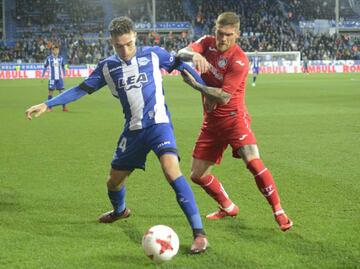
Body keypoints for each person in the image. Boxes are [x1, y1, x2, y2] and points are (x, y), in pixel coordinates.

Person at [25, 16, 214, 253]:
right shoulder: (107, 67)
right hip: (133, 132)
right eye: (118, 46)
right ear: (112, 43)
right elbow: (81, 89)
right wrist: (48, 104)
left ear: (135, 36)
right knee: (113, 182)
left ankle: (199, 234)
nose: (124, 50)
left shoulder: (154, 54)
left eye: (128, 44)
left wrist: (204, 90)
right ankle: (120, 211)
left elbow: (181, 65)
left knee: (171, 170)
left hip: (159, 126)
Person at [178, 12, 293, 231]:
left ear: (237, 34)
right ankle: (228, 206)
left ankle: (279, 211)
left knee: (252, 161)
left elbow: (223, 96)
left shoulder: (239, 60)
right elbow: (180, 52)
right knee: (197, 175)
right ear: (215, 31)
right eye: (219, 33)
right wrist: (194, 56)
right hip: (211, 123)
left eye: (228, 35)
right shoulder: (206, 43)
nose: (222, 39)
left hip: (234, 119)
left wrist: (196, 86)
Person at [42, 45, 68, 112]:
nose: (56, 51)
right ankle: (49, 108)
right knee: (50, 93)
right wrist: (42, 75)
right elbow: (45, 66)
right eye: (55, 50)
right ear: (52, 50)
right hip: (52, 78)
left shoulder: (61, 58)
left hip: (59, 78)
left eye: (57, 50)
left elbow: (63, 66)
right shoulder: (49, 58)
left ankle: (64, 107)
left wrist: (64, 75)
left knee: (62, 93)